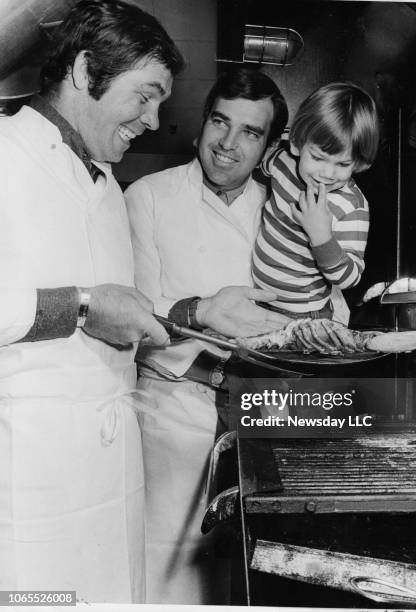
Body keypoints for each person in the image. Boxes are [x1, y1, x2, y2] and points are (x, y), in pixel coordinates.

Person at [0, 3, 285, 603]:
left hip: (112, 475)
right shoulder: (5, 155)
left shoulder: (104, 184)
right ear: (83, 70)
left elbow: (123, 316)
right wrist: (77, 305)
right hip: (29, 481)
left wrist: (194, 312)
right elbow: (89, 307)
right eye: (147, 96)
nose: (156, 121)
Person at [125, 67, 289, 604]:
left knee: (251, 577)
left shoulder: (283, 213)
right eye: (221, 121)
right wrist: (204, 312)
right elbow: (135, 315)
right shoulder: (147, 196)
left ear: (268, 147)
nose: (227, 143)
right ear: (202, 124)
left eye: (250, 132)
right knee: (164, 577)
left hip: (265, 413)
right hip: (173, 411)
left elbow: (320, 304)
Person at [252, 82, 380, 324]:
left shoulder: (352, 207)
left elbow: (350, 279)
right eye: (319, 158)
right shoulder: (283, 162)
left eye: (343, 164)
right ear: (297, 144)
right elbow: (256, 160)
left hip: (305, 314)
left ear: (358, 163)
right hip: (259, 299)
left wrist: (322, 237)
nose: (328, 173)